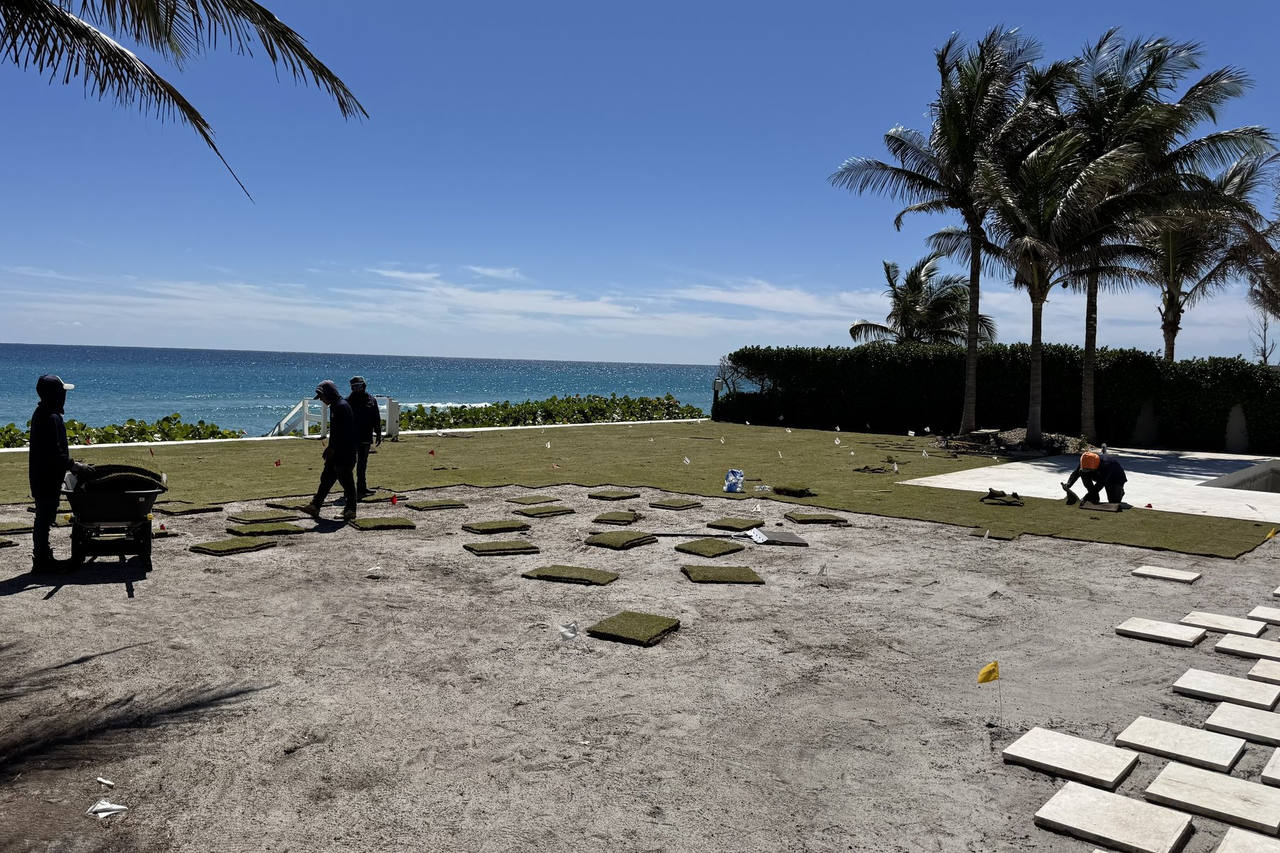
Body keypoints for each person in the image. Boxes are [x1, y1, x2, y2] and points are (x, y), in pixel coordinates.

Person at [28, 375, 93, 572]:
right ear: (54, 395)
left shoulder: (44, 413)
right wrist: (75, 466)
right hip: (46, 476)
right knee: (44, 517)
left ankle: (43, 556)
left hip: (43, 475)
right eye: (62, 392)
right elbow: (55, 453)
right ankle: (41, 559)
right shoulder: (50, 417)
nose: (65, 396)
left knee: (44, 517)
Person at [301, 380, 358, 521]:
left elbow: (343, 433)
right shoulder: (337, 406)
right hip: (338, 450)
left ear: (329, 394)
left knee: (346, 481)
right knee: (327, 477)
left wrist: (332, 448)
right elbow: (336, 432)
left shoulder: (341, 407)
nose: (321, 400)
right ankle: (315, 505)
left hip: (344, 452)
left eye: (321, 397)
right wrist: (331, 448)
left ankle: (350, 510)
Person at [346, 376, 382, 498]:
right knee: (350, 464)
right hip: (351, 437)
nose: (356, 389)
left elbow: (376, 417)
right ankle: (348, 489)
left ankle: (361, 487)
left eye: (358, 386)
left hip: (366, 436)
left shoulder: (371, 400)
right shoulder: (347, 401)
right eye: (354, 387)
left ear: (363, 386)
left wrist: (378, 433)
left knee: (362, 464)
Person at [1063, 450, 1127, 505]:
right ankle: (1094, 497)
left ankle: (1120, 491)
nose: (1086, 471)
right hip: (1098, 473)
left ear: (1094, 466)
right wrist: (1069, 484)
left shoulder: (1107, 464)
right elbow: (1076, 473)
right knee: (1082, 473)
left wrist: (1086, 497)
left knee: (1114, 502)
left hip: (1115, 479)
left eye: (1088, 469)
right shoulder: (1085, 460)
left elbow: (1100, 484)